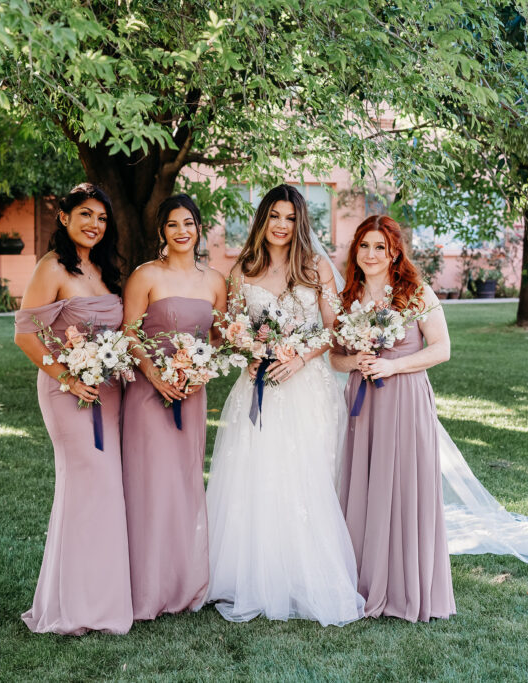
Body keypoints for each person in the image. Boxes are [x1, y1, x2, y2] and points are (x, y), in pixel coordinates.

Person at [205, 184, 365, 626]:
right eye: (274, 216)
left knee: (304, 476)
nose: (281, 225)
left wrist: (299, 356)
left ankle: (304, 575)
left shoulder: (315, 268)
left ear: (301, 224)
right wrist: (252, 351)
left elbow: (333, 330)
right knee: (254, 475)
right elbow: (232, 329)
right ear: (262, 220)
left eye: (290, 218)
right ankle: (252, 575)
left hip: (307, 387)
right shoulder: (242, 271)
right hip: (256, 388)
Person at [13, 183, 132, 635]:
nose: (94, 225)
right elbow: (25, 334)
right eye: (85, 214)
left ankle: (99, 600)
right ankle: (75, 608)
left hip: (108, 392)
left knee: (104, 492)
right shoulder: (52, 267)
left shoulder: (103, 267)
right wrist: (68, 376)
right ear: (63, 218)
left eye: (101, 218)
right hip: (68, 394)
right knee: (87, 490)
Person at [330, 215, 456, 622]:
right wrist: (355, 360)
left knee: (403, 485)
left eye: (379, 247)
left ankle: (406, 587)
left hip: (404, 399)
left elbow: (441, 349)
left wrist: (392, 367)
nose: (371, 254)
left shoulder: (416, 293)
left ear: (395, 252)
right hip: (363, 404)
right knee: (366, 485)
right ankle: (365, 581)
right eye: (364, 246)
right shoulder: (348, 297)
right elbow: (334, 356)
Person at [120, 194, 227, 620]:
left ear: (199, 228)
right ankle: (145, 589)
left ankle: (184, 584)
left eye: (189, 223)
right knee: (149, 487)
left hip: (193, 394)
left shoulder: (216, 280)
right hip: (149, 396)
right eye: (172, 225)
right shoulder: (145, 275)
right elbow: (129, 335)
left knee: (184, 485)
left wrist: (201, 371)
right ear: (161, 232)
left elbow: (221, 338)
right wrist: (155, 375)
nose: (182, 231)